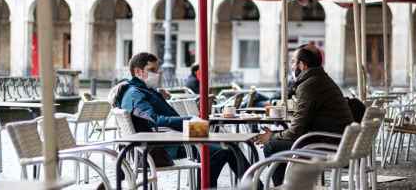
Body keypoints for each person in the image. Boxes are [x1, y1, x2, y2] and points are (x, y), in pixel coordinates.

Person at [109, 52, 249, 188]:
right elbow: (155, 120)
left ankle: (254, 186)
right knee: (223, 151)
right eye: (152, 70)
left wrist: (157, 94)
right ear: (138, 71)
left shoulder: (140, 90)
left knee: (229, 146)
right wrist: (190, 119)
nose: (157, 74)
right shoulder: (135, 93)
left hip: (165, 141)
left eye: (157, 70)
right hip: (162, 147)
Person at [255, 44, 353, 187]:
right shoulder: (320, 79)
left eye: (293, 61)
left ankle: (285, 188)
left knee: (272, 146)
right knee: (278, 143)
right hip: (335, 141)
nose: (291, 65)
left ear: (303, 65)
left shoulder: (309, 85)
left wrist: (272, 136)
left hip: (327, 144)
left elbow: (296, 131)